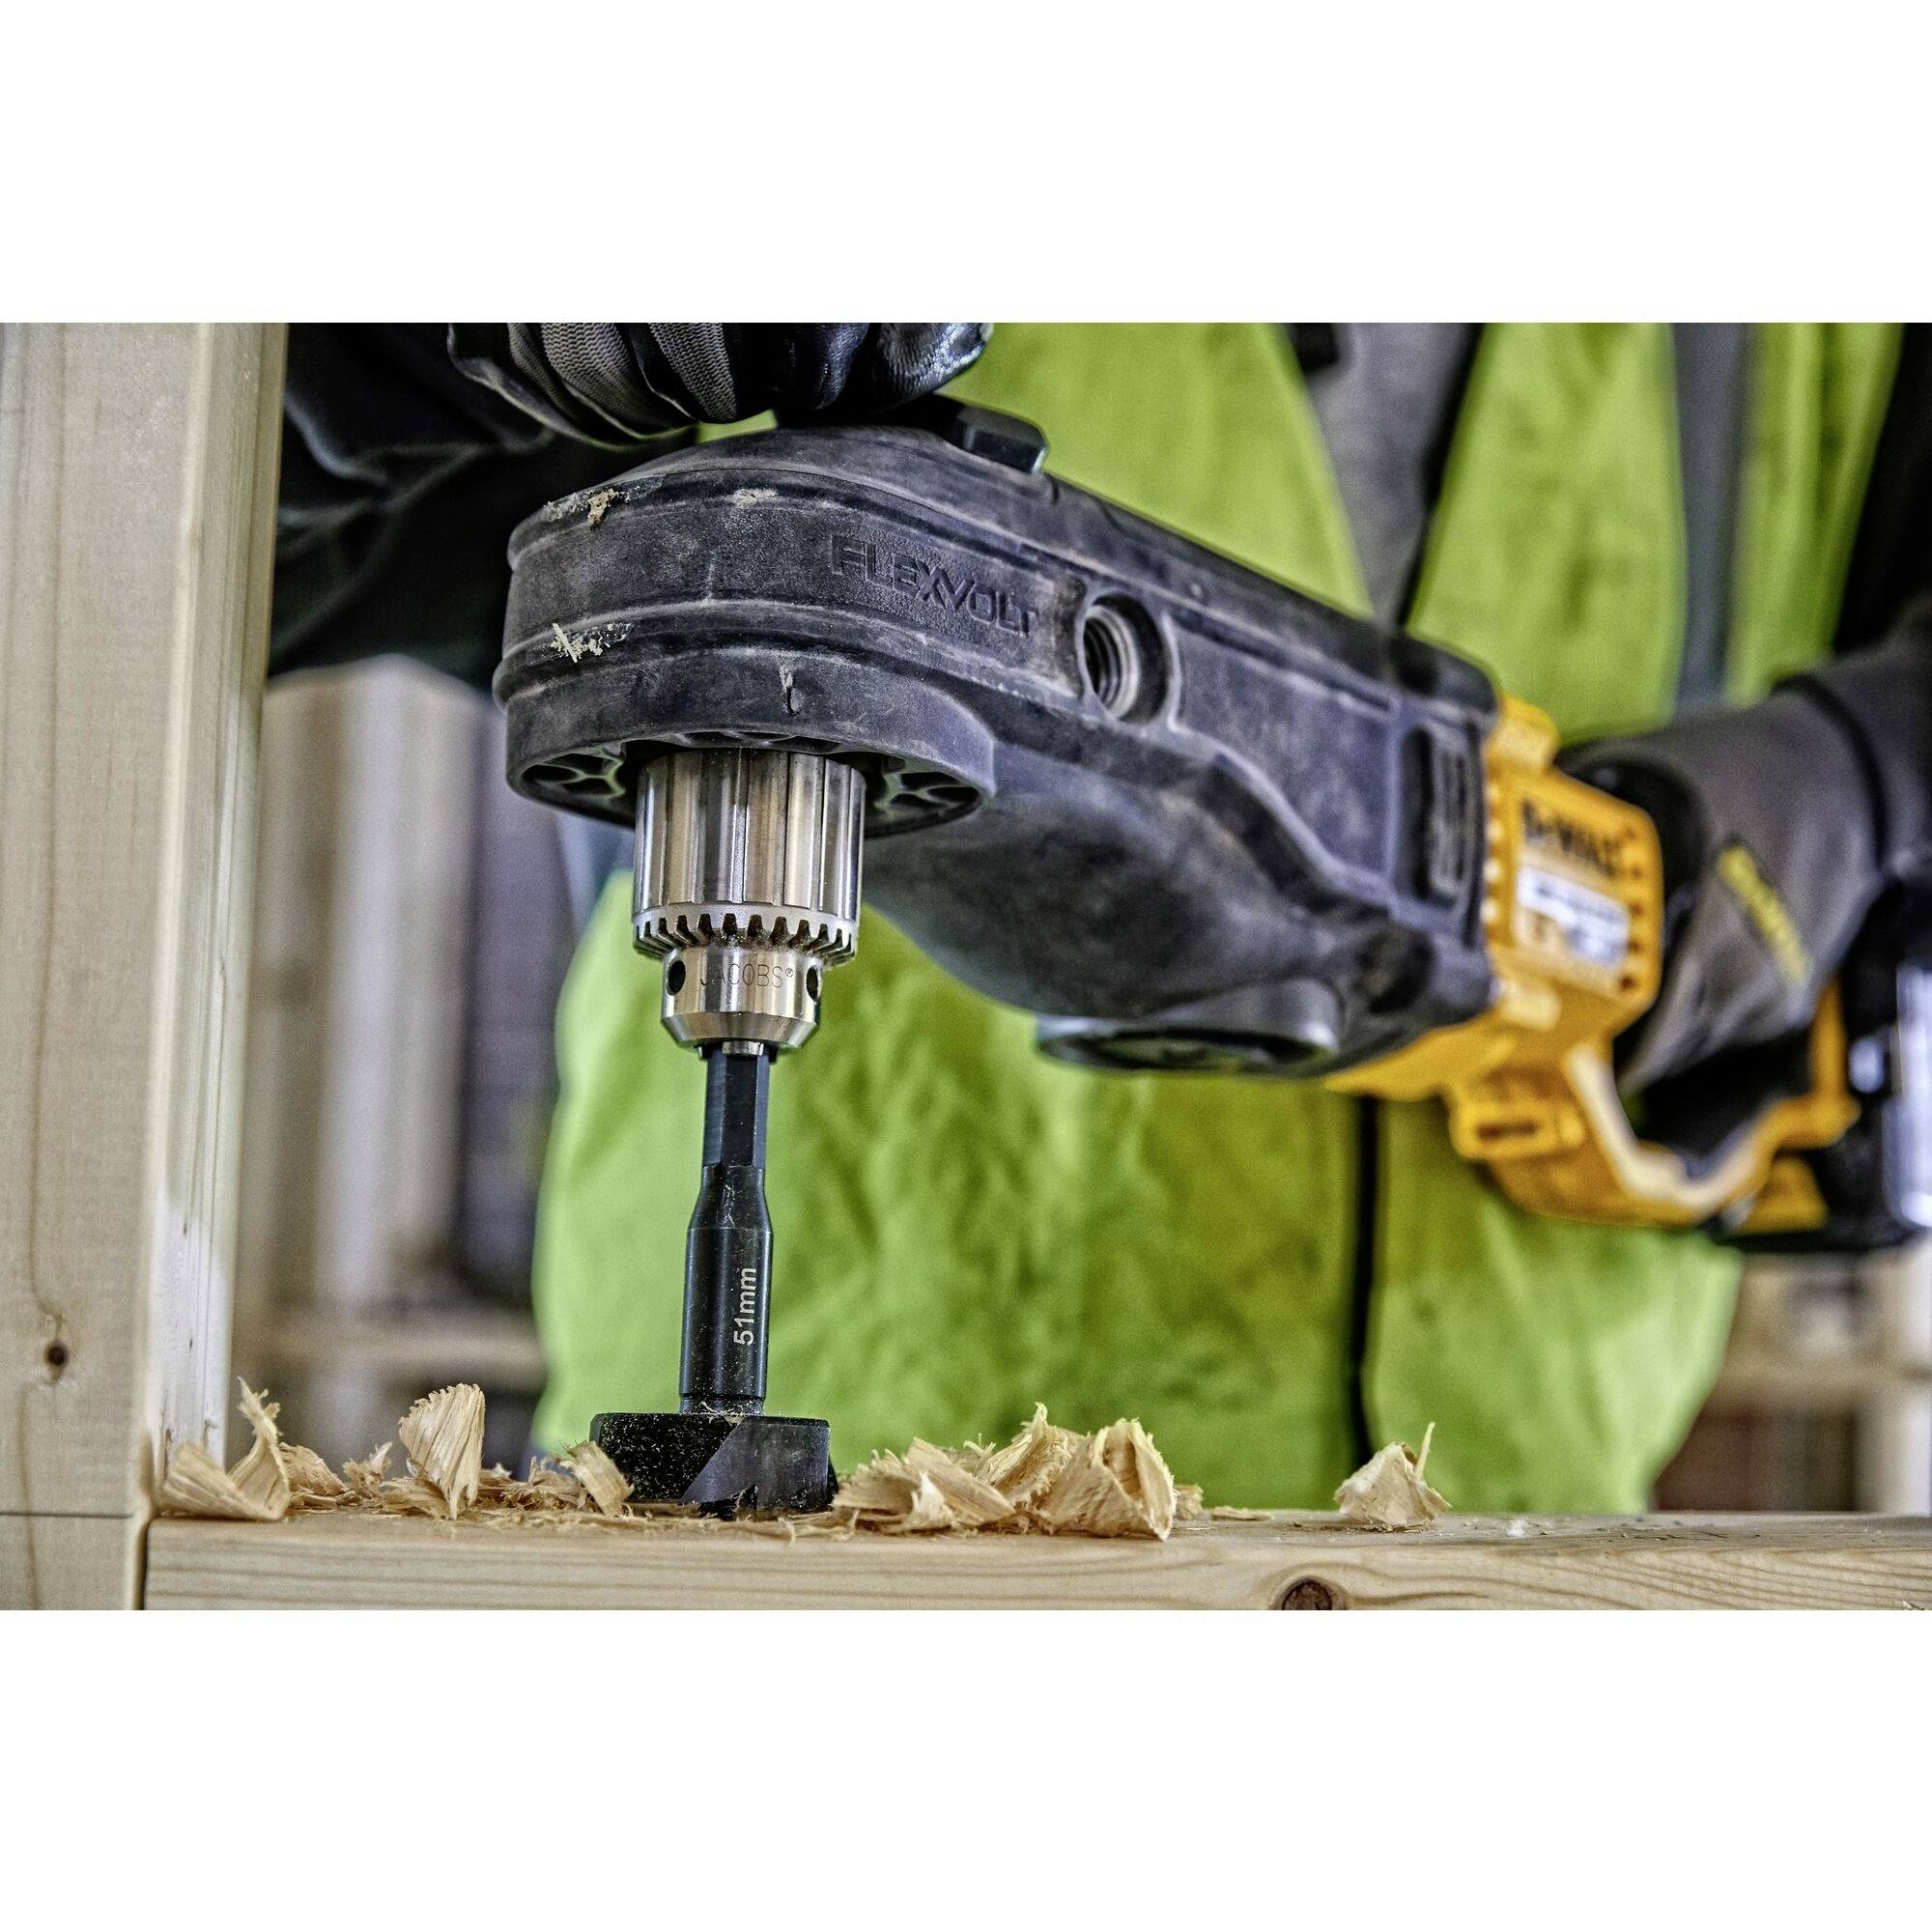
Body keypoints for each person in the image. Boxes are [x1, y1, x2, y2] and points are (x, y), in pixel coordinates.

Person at [275, 324, 1932, 1510]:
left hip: (1516, 1562)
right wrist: (429, 330)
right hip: (814, 1590)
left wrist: (1861, 767)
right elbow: (181, 508)